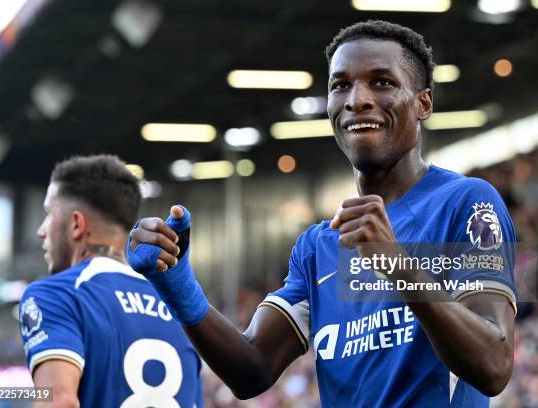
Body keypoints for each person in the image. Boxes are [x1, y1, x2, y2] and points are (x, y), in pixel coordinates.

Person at [128, 20, 517, 407]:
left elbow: (493, 365)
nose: (356, 99)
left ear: (423, 103)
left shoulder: (466, 203)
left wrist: (398, 265)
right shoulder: (319, 245)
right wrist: (176, 283)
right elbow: (252, 369)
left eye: (382, 82)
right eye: (340, 85)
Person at [19, 155, 202, 408]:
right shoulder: (181, 313)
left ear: (76, 224)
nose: (41, 230)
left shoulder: (56, 293)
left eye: (48, 214)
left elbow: (58, 401)